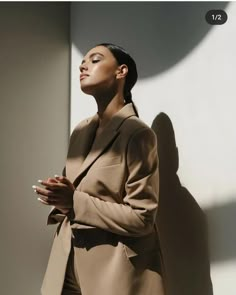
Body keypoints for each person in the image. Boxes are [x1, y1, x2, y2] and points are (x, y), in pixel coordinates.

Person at [33, 43, 164, 295]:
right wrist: (59, 198)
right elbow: (76, 197)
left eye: (94, 59)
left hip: (113, 273)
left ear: (121, 71)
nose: (83, 65)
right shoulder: (81, 131)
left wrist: (74, 201)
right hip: (65, 265)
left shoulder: (138, 134)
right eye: (82, 61)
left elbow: (142, 218)